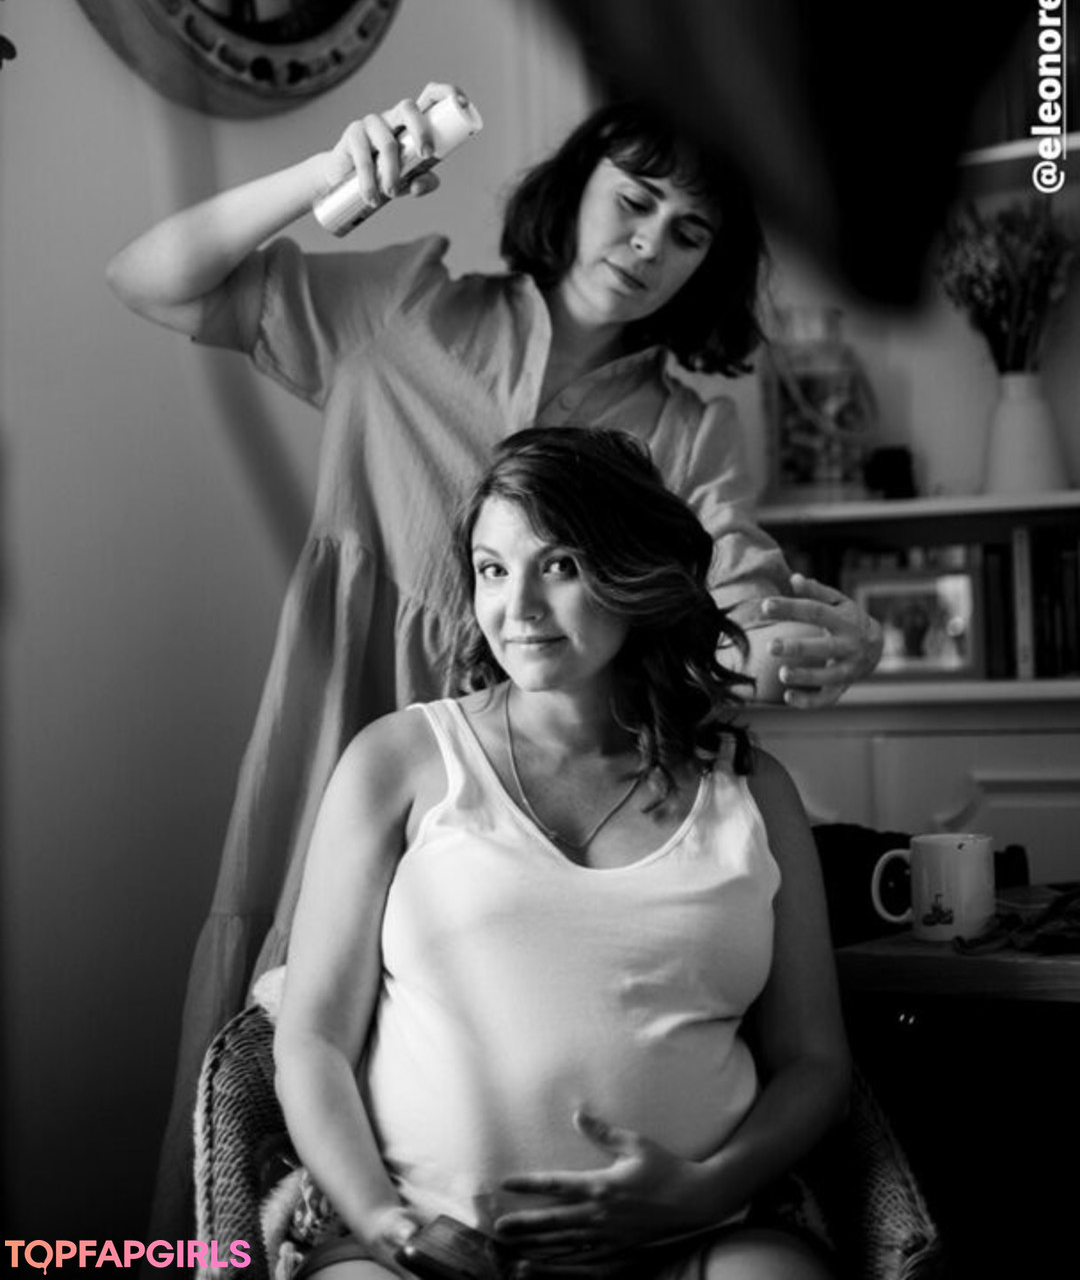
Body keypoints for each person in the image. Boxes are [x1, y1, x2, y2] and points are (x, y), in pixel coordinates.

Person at [105, 84, 880, 1232]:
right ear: (577, 185)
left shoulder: (686, 431)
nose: (648, 245)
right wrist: (328, 176)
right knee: (285, 1046)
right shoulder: (404, 309)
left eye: (689, 232)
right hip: (346, 744)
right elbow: (150, 277)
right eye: (635, 200)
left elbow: (743, 607)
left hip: (557, 811)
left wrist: (827, 640)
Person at [273, 425, 851, 1280]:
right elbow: (313, 1038)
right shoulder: (397, 762)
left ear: (637, 574)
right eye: (492, 569)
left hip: (693, 1242)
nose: (520, 607)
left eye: (561, 565)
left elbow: (815, 1061)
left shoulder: (754, 791)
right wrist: (386, 1223)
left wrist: (703, 1190)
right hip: (418, 1252)